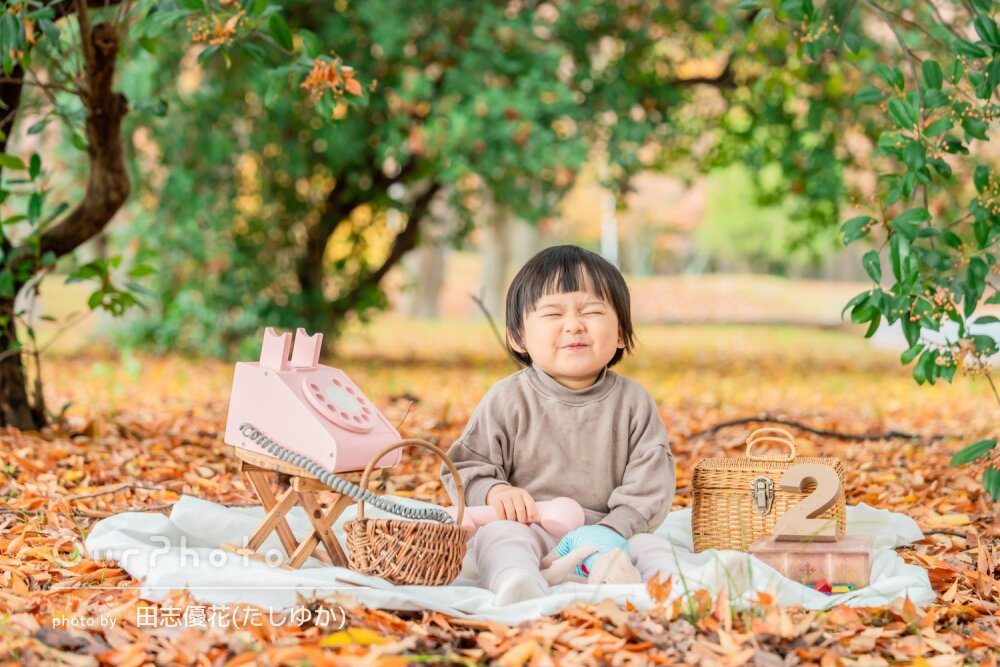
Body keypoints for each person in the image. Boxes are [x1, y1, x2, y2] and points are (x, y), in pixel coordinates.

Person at [440, 244, 677, 605]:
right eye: (552, 314)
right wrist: (495, 493)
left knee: (652, 546)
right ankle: (517, 582)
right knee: (499, 538)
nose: (574, 325)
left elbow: (650, 484)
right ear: (518, 336)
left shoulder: (633, 402)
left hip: (608, 533)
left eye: (592, 311)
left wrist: (612, 530)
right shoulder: (508, 398)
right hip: (531, 525)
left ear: (620, 334)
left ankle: (658, 589)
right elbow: (467, 466)